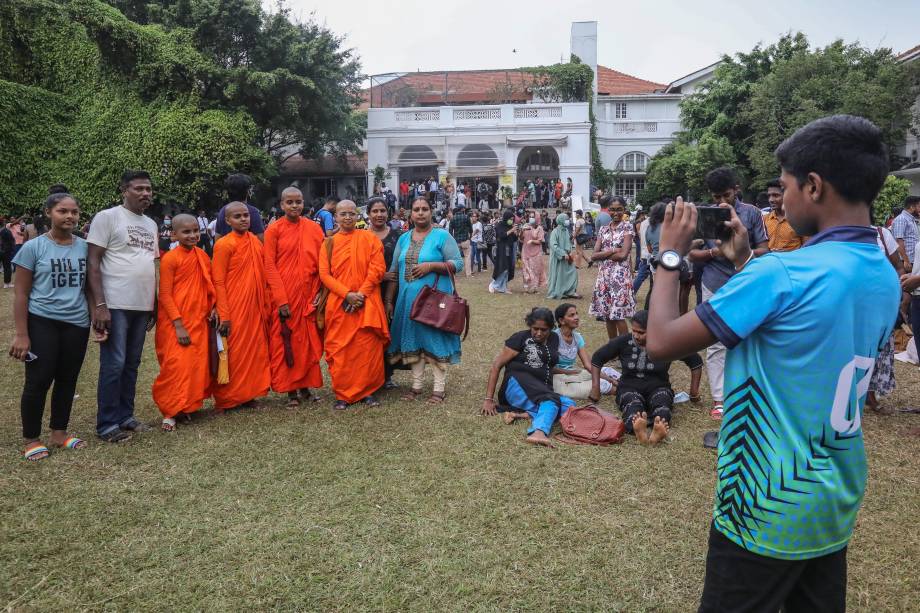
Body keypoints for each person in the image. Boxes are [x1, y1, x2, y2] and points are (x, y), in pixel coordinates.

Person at [646, 115, 899, 612]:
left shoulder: (783, 273)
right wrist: (744, 264)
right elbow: (801, 330)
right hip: (833, 498)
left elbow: (660, 341)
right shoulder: (882, 273)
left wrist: (669, 257)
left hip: (764, 504)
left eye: (784, 188)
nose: (779, 201)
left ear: (814, 185)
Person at [9, 194, 92, 460]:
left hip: (77, 322)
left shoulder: (85, 247)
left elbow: (90, 286)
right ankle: (32, 438)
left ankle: (59, 433)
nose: (69, 216)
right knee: (39, 379)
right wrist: (22, 334)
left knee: (67, 379)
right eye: (62, 211)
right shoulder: (33, 248)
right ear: (48, 213)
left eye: (74, 212)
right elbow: (21, 293)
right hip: (42, 320)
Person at [687, 167, 769, 419]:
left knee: (750, 339)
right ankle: (720, 399)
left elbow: (765, 249)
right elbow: (692, 253)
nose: (722, 202)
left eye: (726, 195)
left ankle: (749, 393)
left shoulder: (752, 214)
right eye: (716, 197)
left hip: (747, 282)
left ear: (737, 189)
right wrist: (716, 253)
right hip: (714, 283)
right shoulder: (705, 215)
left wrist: (741, 252)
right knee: (715, 343)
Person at [87, 170, 159, 442]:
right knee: (114, 363)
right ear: (124, 190)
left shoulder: (151, 224)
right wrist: (100, 305)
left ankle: (125, 416)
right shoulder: (108, 217)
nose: (145, 194)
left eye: (148, 189)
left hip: (141, 305)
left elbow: (149, 264)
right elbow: (92, 263)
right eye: (139, 188)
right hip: (115, 303)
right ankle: (106, 424)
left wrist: (153, 303)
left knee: (132, 363)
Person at [385, 197, 463, 403]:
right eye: (416, 209)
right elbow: (394, 272)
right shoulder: (403, 239)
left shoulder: (442, 236)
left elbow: (458, 263)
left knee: (434, 340)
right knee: (414, 342)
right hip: (407, 301)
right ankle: (416, 386)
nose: (420, 213)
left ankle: (439, 389)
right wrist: (388, 300)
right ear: (410, 214)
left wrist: (431, 266)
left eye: (425, 209)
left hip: (434, 303)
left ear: (431, 212)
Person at [587, 310, 701, 445]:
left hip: (659, 387)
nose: (635, 335)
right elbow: (597, 358)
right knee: (632, 408)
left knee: (663, 408)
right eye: (634, 331)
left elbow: (696, 362)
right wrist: (595, 388)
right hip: (629, 388)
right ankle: (639, 432)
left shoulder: (667, 342)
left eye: (641, 332)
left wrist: (694, 393)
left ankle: (656, 432)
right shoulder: (623, 341)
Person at [318, 200, 390, 410]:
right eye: (343, 214)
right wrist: (347, 294)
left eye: (351, 213)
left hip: (366, 302)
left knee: (367, 349)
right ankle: (343, 394)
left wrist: (361, 294)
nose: (348, 217)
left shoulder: (369, 239)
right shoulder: (329, 243)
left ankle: (367, 391)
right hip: (340, 304)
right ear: (336, 217)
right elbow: (324, 274)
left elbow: (377, 269)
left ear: (358, 216)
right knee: (340, 349)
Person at [151, 214, 216, 431]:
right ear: (174, 234)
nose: (193, 235)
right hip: (176, 322)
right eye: (186, 232)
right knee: (175, 366)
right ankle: (170, 412)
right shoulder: (170, 258)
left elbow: (209, 288)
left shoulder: (202, 256)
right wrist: (178, 324)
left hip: (198, 320)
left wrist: (213, 307)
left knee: (194, 366)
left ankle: (186, 406)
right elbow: (166, 295)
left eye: (196, 230)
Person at [263, 187, 325, 407]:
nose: (294, 206)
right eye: (289, 202)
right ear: (282, 205)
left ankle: (306, 388)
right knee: (286, 342)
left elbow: (322, 263)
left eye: (298, 201)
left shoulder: (315, 229)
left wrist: (320, 292)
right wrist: (281, 300)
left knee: (307, 343)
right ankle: (291, 392)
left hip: (308, 294)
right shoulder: (274, 230)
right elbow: (269, 266)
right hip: (285, 296)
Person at [482, 307, 577, 447]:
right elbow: (496, 366)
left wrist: (566, 372)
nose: (538, 333)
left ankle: (521, 415)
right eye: (535, 328)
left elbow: (545, 365)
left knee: (569, 405)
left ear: (551, 328)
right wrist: (488, 400)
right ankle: (538, 432)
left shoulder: (554, 339)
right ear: (530, 326)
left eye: (543, 330)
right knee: (551, 401)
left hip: (540, 387)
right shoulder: (520, 338)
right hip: (516, 383)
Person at [211, 202, 271, 411]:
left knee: (253, 350)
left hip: (253, 306)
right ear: (227, 221)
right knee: (234, 351)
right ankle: (229, 398)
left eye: (246, 215)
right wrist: (224, 313)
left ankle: (249, 395)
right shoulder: (224, 244)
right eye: (237, 216)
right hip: (234, 306)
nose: (244, 219)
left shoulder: (255, 241)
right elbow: (217, 281)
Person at [367, 196, 403, 389]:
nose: (379, 214)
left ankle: (387, 375)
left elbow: (401, 265)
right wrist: (382, 276)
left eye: (382, 211)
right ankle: (372, 374)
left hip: (394, 291)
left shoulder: (398, 235)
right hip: (369, 291)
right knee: (371, 334)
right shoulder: (361, 236)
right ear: (368, 214)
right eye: (375, 211)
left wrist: (391, 281)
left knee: (390, 331)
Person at [589, 196, 635, 338]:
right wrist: (614, 250)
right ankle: (613, 348)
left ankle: (625, 349)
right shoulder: (603, 230)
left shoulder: (627, 227)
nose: (616, 213)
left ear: (624, 210)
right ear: (608, 210)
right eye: (613, 210)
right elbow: (594, 255)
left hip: (619, 277)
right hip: (604, 276)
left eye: (619, 209)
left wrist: (604, 254)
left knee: (618, 314)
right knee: (607, 314)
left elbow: (623, 255)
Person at [551, 303, 619, 400]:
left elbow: (588, 365)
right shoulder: (554, 337)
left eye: (576, 314)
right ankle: (622, 390)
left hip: (574, 373)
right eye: (572, 315)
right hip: (560, 377)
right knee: (602, 383)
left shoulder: (577, 337)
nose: (577, 317)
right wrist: (610, 381)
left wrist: (610, 379)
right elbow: (549, 368)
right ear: (561, 320)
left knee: (608, 371)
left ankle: (629, 384)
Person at [214, 174, 266, 241]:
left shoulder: (223, 211)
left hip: (227, 250)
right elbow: (260, 240)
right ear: (247, 192)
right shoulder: (252, 211)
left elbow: (217, 239)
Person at [763, 178, 806, 251]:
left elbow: (808, 248)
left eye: (775, 195)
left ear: (786, 195)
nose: (771, 200)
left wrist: (788, 254)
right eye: (769, 196)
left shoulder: (800, 220)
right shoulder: (764, 220)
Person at [547, 212, 580, 299]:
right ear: (561, 220)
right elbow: (553, 245)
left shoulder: (566, 231)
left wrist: (569, 253)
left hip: (567, 257)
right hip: (558, 257)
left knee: (573, 272)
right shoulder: (555, 231)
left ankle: (570, 291)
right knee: (559, 275)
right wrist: (562, 253)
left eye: (567, 219)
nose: (567, 221)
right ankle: (558, 291)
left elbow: (568, 243)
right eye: (566, 220)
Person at [489, 208, 519, 294]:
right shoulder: (499, 225)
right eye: (510, 219)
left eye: (512, 220)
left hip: (509, 249)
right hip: (502, 249)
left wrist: (516, 233)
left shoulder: (510, 226)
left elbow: (513, 239)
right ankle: (494, 284)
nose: (511, 221)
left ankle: (503, 287)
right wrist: (511, 230)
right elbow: (501, 236)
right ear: (506, 218)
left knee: (508, 268)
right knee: (503, 268)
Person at [891, 195, 920, 269]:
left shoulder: (911, 219)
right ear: (912, 207)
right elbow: (898, 241)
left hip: (914, 260)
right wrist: (906, 261)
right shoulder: (901, 219)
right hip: (907, 261)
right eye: (919, 207)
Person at [520, 212, 546, 293]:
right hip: (525, 250)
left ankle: (534, 288)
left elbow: (540, 241)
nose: (531, 218)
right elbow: (521, 238)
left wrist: (532, 241)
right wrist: (522, 230)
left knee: (535, 269)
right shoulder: (526, 226)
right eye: (530, 217)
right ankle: (526, 288)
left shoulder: (539, 228)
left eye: (533, 217)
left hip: (536, 252)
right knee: (525, 269)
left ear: (537, 218)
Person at [449, 205, 473, 277]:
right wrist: (470, 236)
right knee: (467, 256)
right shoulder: (466, 217)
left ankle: (454, 273)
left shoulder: (453, 218)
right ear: (462, 209)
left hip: (456, 240)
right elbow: (470, 228)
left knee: (455, 257)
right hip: (465, 239)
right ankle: (468, 274)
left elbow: (450, 230)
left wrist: (452, 239)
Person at [1, 220, 13, 288]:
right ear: (4, 223)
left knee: (7, 267)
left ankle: (7, 283)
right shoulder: (7, 231)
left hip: (4, 250)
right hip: (6, 251)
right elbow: (11, 240)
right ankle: (7, 283)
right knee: (7, 267)